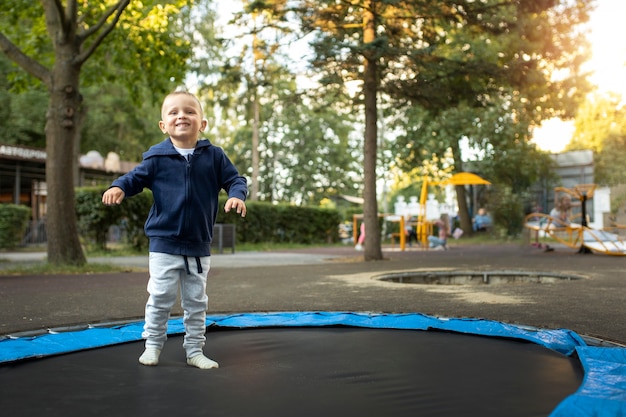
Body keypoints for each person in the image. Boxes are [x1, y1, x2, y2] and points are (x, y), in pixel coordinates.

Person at [102, 91, 248, 370]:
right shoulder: (157, 158)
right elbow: (134, 178)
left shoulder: (214, 156)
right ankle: (153, 345)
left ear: (202, 123)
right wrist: (118, 186)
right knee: (160, 297)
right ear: (163, 125)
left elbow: (235, 179)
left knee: (196, 301)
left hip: (198, 244)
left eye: (190, 111)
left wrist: (237, 195)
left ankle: (194, 350)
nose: (182, 115)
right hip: (163, 243)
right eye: (174, 112)